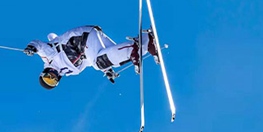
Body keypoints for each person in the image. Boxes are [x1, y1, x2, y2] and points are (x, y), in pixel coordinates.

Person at [23, 25, 160, 89]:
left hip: (82, 38)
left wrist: (32, 47)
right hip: (90, 42)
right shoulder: (72, 72)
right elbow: (88, 60)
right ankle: (147, 41)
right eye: (52, 81)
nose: (52, 77)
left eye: (48, 78)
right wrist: (107, 71)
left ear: (43, 73)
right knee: (112, 61)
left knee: (99, 63)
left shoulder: (49, 58)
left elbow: (39, 44)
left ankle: (133, 48)